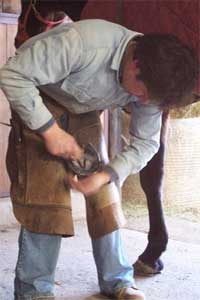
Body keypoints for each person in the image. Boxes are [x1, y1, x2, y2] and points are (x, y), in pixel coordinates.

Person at [0, 19, 198, 300]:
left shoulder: (155, 84)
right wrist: (49, 130)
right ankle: (35, 292)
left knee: (105, 195)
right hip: (38, 96)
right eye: (142, 94)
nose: (142, 103)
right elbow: (12, 75)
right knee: (45, 198)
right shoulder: (83, 43)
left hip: (85, 109)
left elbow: (146, 142)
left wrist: (106, 175)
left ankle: (117, 280)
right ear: (135, 65)